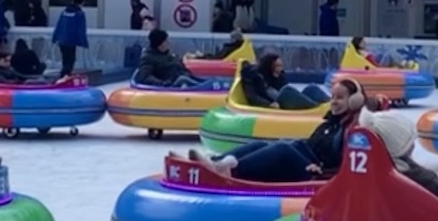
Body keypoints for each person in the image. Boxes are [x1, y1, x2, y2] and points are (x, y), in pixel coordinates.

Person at [189, 77, 367, 183]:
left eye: (340, 98)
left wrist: (324, 171)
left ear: (354, 100)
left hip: (317, 173)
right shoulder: (330, 123)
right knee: (265, 143)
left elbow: (347, 164)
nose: (334, 102)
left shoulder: (354, 129)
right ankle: (215, 162)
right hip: (308, 159)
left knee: (283, 149)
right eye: (333, 97)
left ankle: (230, 172)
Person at [239, 52, 330, 111]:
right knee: (287, 91)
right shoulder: (254, 77)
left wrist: (277, 78)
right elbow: (253, 97)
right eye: (277, 66)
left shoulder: (279, 76)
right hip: (276, 104)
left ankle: (329, 104)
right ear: (268, 67)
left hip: (284, 101)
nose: (280, 69)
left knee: (311, 88)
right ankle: (316, 109)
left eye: (280, 66)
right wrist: (269, 104)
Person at [135, 28, 200, 87]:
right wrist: (163, 83)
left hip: (183, 80)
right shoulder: (147, 58)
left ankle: (204, 85)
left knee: (199, 80)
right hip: (171, 86)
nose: (169, 43)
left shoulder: (170, 56)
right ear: (160, 44)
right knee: (182, 80)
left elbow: (183, 70)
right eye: (166, 41)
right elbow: (145, 77)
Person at [52, 0, 88, 76]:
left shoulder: (65, 12)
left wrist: (55, 38)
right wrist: (84, 42)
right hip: (71, 41)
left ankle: (63, 76)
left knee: (65, 60)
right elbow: (81, 29)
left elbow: (59, 25)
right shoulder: (79, 13)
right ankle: (64, 77)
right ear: (81, 2)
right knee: (70, 61)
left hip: (62, 40)